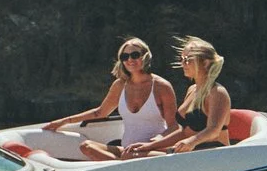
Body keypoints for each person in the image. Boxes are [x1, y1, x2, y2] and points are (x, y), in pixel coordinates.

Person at [45, 37, 181, 162]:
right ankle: (120, 165)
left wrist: (153, 142)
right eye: (125, 56)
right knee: (86, 146)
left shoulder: (161, 86)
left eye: (135, 55)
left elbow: (174, 126)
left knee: (129, 155)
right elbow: (100, 112)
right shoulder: (120, 85)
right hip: (127, 150)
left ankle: (120, 166)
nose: (130, 59)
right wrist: (62, 121)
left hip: (153, 149)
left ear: (145, 57)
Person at [152, 37, 233, 153]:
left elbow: (214, 130)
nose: (183, 63)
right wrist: (151, 145)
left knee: (132, 156)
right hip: (191, 154)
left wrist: (192, 141)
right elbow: (184, 132)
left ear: (205, 62)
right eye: (182, 59)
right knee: (131, 153)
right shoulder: (192, 90)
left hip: (214, 154)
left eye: (188, 59)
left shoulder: (217, 92)